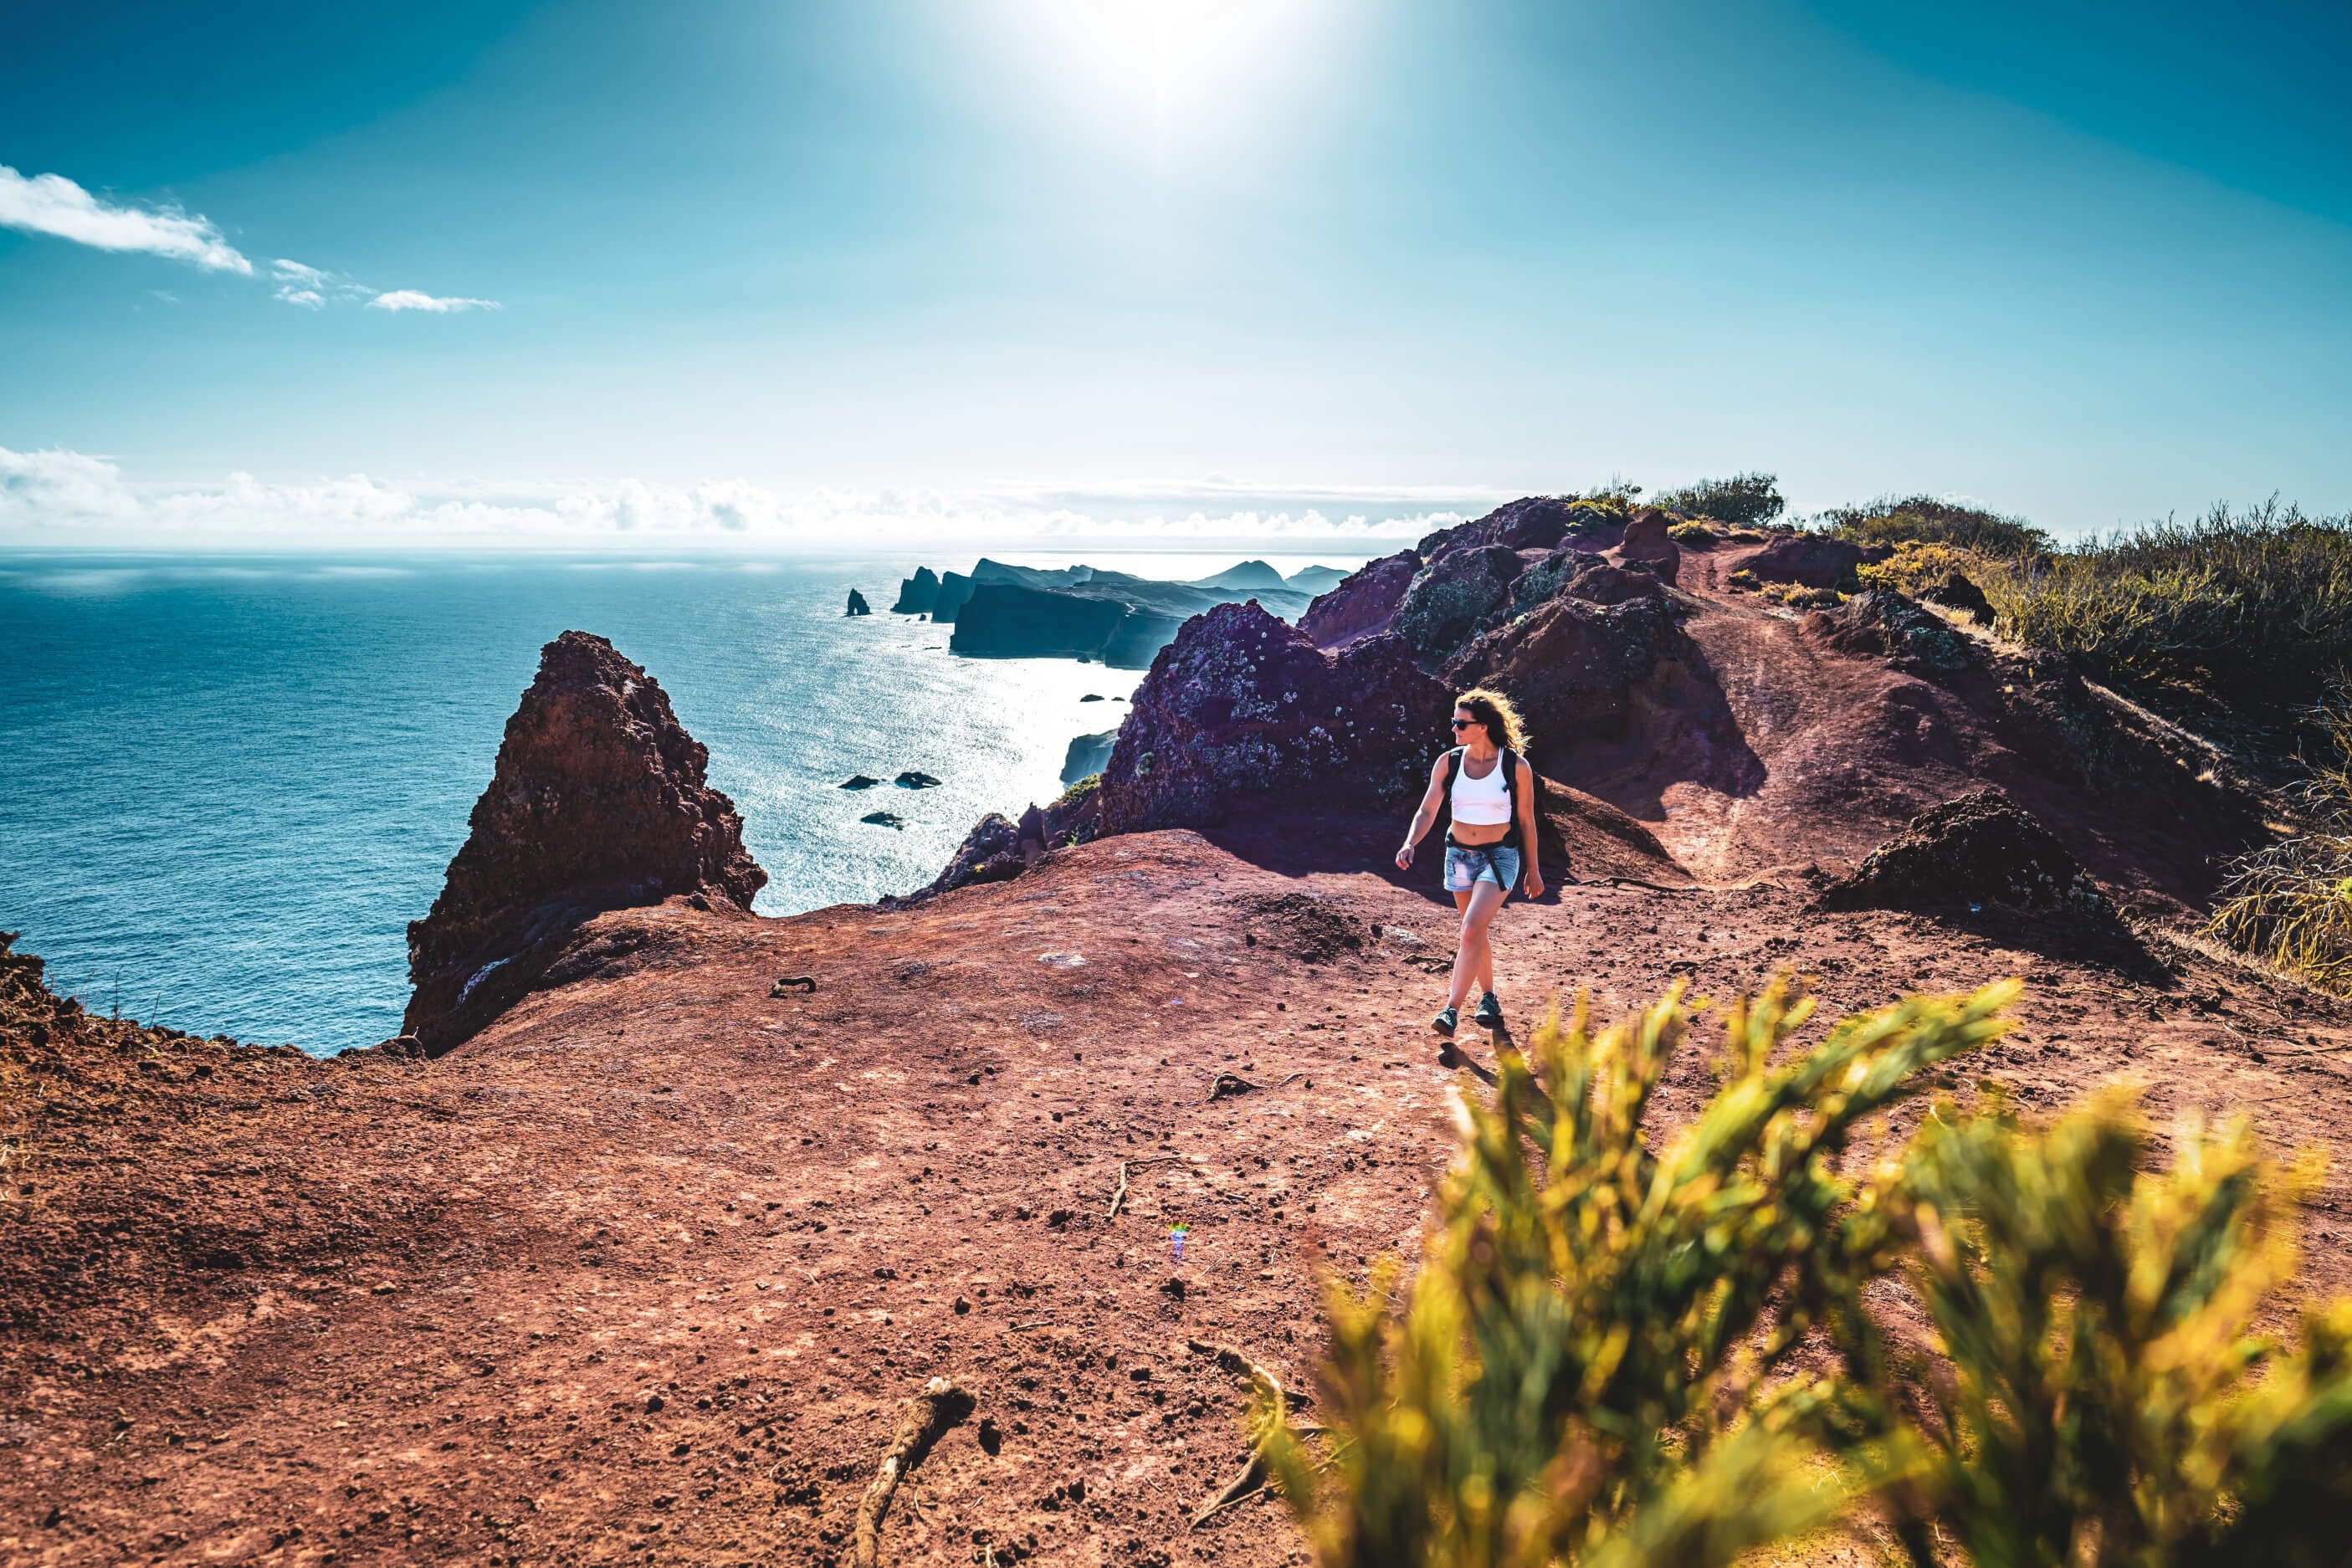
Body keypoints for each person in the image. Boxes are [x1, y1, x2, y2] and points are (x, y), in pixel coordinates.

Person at [1394, 688, 1543, 1041]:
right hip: (1459, 855)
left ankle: (1451, 1009)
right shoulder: (1449, 762)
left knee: (1472, 927)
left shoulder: (1515, 766)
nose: (1455, 729)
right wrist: (1410, 842)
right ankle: (1489, 998)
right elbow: (1428, 809)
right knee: (1473, 930)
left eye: (1462, 724)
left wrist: (1534, 870)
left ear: (1484, 727)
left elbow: (1526, 820)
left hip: (1500, 856)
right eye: (1454, 722)